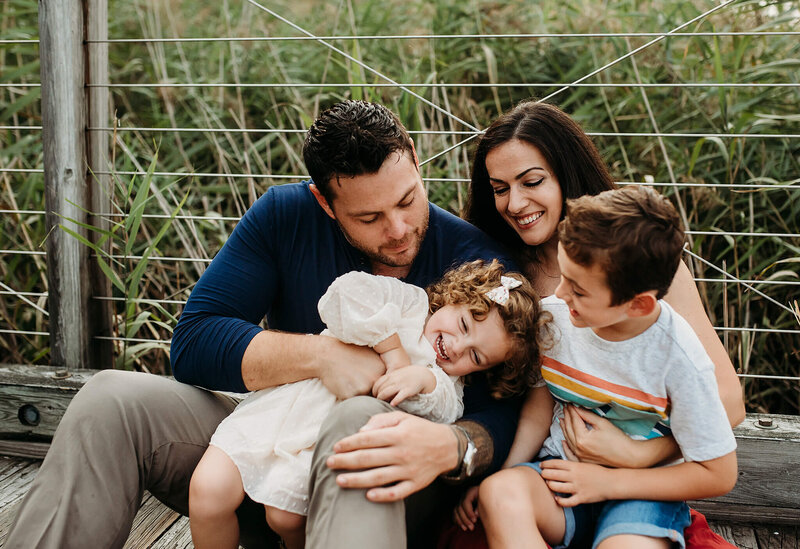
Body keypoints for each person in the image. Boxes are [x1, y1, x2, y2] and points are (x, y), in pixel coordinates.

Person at [5, 100, 524, 549]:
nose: (398, 229)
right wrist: (323, 357)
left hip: (387, 497)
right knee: (109, 399)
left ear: (415, 160)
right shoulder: (285, 215)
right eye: (369, 218)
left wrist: (455, 446)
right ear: (324, 202)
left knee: (360, 421)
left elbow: (507, 410)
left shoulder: (478, 266)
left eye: (408, 200)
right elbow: (194, 341)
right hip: (270, 439)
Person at [448, 100, 744, 539]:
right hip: (548, 467)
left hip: (638, 472)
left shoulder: (641, 271)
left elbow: (728, 402)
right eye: (499, 187)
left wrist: (635, 455)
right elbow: (536, 393)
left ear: (566, 176)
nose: (515, 203)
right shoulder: (501, 276)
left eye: (532, 181)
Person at [189, 260, 548, 549]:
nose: (456, 346)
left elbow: (443, 411)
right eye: (464, 324)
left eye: (476, 356)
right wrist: (393, 351)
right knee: (207, 491)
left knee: (285, 518)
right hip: (288, 405)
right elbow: (344, 293)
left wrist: (420, 379)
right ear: (454, 297)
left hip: (317, 439)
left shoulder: (445, 382)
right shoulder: (408, 304)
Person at [477, 185, 738, 549]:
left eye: (579, 290)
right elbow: (543, 401)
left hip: (642, 492)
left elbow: (719, 474)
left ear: (638, 306)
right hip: (563, 472)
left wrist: (609, 484)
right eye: (564, 276)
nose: (560, 294)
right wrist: (510, 468)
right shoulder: (555, 320)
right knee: (500, 494)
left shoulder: (677, 357)